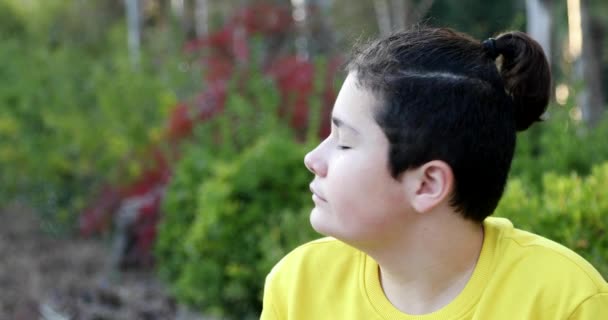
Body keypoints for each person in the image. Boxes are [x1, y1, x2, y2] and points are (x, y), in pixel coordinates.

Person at [260, 26, 608, 319]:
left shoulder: (565, 302)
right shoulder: (297, 288)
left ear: (427, 184)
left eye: (344, 142)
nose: (312, 158)